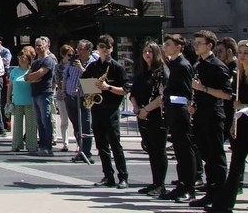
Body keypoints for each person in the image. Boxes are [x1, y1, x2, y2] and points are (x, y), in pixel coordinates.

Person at [213, 40, 248, 213]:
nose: (243, 56)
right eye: (241, 53)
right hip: (243, 124)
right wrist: (234, 123)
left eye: (246, 53)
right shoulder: (239, 75)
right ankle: (224, 205)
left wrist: (243, 106)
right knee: (236, 165)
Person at [192, 30, 231, 208]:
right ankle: (210, 191)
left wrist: (203, 89)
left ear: (210, 46)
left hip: (214, 115)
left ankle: (221, 196)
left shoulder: (218, 66)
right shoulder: (198, 65)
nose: (196, 45)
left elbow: (227, 94)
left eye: (200, 43)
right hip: (200, 114)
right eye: (196, 42)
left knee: (216, 157)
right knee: (206, 155)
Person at [84, 35, 128, 189]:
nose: (104, 50)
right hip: (97, 109)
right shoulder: (93, 66)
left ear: (111, 49)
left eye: (107, 47)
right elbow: (85, 83)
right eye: (101, 47)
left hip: (111, 110)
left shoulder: (117, 67)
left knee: (115, 145)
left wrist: (108, 87)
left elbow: (125, 90)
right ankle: (108, 175)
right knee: (101, 145)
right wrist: (93, 89)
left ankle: (123, 176)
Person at [159, 33, 197, 202]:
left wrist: (167, 96)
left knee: (185, 151)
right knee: (179, 152)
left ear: (179, 47)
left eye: (168, 44)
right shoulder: (173, 64)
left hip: (181, 112)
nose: (165, 47)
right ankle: (181, 185)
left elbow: (186, 92)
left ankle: (189, 187)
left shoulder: (183, 65)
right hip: (173, 112)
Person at [132, 41, 169, 196]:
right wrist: (136, 107)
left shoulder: (162, 71)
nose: (147, 54)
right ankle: (154, 182)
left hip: (156, 115)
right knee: (151, 149)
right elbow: (133, 91)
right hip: (142, 114)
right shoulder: (142, 71)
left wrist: (146, 109)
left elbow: (163, 96)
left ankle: (161, 184)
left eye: (150, 52)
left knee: (159, 150)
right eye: (145, 51)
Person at [24, 36, 57, 156]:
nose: (38, 48)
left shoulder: (48, 61)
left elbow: (40, 74)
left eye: (40, 45)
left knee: (46, 120)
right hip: (35, 93)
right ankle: (42, 145)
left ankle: (48, 147)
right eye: (36, 45)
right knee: (39, 121)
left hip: (45, 93)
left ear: (46, 46)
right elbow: (26, 76)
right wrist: (31, 78)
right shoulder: (35, 62)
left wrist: (32, 77)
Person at [10, 46, 38, 153]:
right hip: (17, 100)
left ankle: (31, 146)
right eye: (20, 57)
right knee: (17, 125)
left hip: (30, 101)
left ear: (28, 59)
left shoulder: (31, 70)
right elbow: (10, 86)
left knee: (31, 125)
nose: (21, 59)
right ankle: (16, 145)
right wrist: (8, 100)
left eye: (24, 58)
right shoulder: (14, 71)